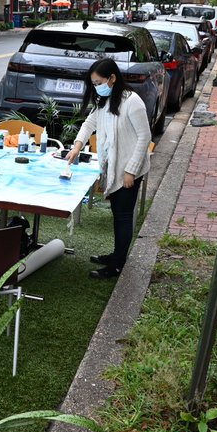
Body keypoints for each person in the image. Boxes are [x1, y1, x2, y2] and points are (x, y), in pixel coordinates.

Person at [65, 58, 152, 279]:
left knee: (123, 216)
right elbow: (89, 124)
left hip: (130, 170)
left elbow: (145, 137)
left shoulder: (132, 101)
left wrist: (131, 171)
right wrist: (77, 147)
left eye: (98, 82)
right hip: (115, 167)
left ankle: (117, 265)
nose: (96, 87)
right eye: (93, 84)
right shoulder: (105, 100)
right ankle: (116, 255)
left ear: (112, 78)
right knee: (117, 213)